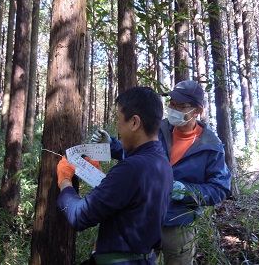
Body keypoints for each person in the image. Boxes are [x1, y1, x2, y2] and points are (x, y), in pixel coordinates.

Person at [92, 80, 231, 265]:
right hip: (146, 218)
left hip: (178, 226)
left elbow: (220, 188)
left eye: (180, 106)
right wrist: (112, 145)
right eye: (171, 104)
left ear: (197, 111)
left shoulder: (211, 146)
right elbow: (137, 156)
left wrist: (185, 191)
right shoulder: (159, 129)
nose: (173, 109)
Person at [57, 86, 174, 265]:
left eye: (119, 121)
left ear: (135, 122)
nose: (117, 128)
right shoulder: (161, 161)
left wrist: (64, 180)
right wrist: (102, 172)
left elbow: (79, 216)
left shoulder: (131, 169)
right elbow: (128, 198)